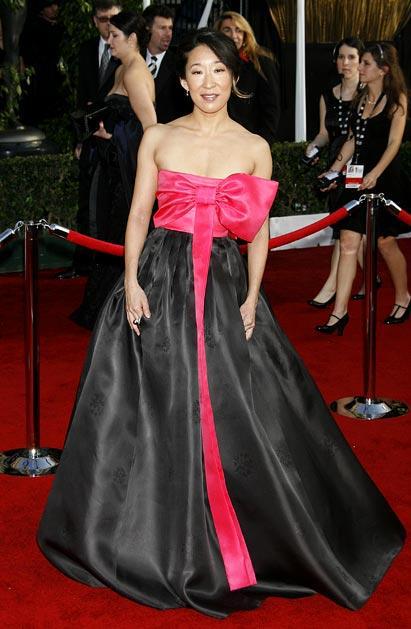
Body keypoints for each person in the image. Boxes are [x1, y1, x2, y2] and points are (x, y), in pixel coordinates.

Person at [38, 30, 404, 619]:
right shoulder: (159, 137)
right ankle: (147, 532)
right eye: (197, 72)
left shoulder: (255, 147)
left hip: (226, 285)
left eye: (218, 71)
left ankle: (253, 530)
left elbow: (256, 232)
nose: (208, 82)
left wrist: (254, 296)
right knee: (156, 398)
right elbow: (138, 213)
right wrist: (130, 281)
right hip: (161, 278)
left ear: (235, 78)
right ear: (183, 82)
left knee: (240, 403)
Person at [316, 42, 411, 335]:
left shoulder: (396, 100)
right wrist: (334, 171)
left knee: (384, 243)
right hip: (357, 178)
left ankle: (403, 297)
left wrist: (376, 173)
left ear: (383, 70)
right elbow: (351, 140)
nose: (359, 67)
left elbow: (394, 143)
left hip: (385, 179)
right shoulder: (359, 99)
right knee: (348, 242)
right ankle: (339, 313)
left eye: (366, 63)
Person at [70, 11, 156, 329]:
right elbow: (124, 119)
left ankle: (121, 309)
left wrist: (115, 137)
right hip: (113, 168)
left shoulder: (134, 73)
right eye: (108, 36)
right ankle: (109, 307)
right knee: (110, 234)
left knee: (120, 235)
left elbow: (150, 128)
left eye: (115, 36)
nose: (109, 42)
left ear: (132, 39)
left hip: (127, 174)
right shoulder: (122, 68)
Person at [58, 0, 122, 281]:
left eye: (113, 18)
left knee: (109, 203)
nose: (108, 24)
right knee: (85, 202)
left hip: (116, 139)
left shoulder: (126, 53)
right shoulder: (86, 50)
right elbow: (81, 97)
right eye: (103, 19)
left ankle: (106, 266)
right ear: (95, 21)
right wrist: (80, 139)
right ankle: (82, 263)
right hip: (90, 138)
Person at [305, 37, 366, 308]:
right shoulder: (327, 94)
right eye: (341, 57)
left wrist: (335, 171)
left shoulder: (368, 94)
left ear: (361, 60)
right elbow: (324, 133)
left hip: (358, 165)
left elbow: (358, 138)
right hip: (334, 163)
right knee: (349, 231)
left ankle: (333, 285)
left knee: (347, 230)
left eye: (351, 57)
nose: (346, 62)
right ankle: (369, 278)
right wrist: (313, 148)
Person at [214, 10, 280, 145]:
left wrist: (263, 142)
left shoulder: (261, 62)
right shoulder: (211, 62)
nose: (234, 35)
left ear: (245, 34)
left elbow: (272, 107)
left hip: (249, 140)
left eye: (238, 30)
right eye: (227, 30)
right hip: (217, 140)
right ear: (218, 34)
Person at [142, 3, 191, 123]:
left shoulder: (179, 64)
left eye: (170, 28)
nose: (168, 34)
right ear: (148, 28)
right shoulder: (134, 59)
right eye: (162, 28)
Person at [19, 0, 64, 125]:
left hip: (55, 74)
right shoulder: (33, 26)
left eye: (56, 4)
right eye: (49, 6)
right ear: (42, 10)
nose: (54, 8)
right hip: (38, 75)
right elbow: (24, 50)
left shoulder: (60, 26)